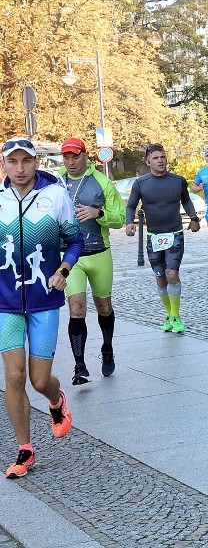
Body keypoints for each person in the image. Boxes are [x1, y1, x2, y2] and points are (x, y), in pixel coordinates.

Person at [0, 137, 83, 478]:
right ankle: (24, 449)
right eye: (12, 162)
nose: (20, 169)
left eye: (26, 162)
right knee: (14, 377)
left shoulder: (55, 196)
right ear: (4, 165)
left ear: (36, 163)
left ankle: (56, 400)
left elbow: (75, 240)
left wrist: (63, 270)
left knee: (38, 380)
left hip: (45, 300)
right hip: (5, 302)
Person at [57, 138, 126, 385]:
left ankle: (107, 348)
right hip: (69, 257)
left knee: (104, 307)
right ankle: (79, 365)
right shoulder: (56, 183)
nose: (71, 162)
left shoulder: (102, 182)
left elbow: (119, 218)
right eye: (66, 157)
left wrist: (99, 214)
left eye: (75, 156)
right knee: (76, 308)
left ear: (85, 156)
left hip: (99, 253)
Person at [126, 144, 201, 334]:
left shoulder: (178, 181)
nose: (160, 161)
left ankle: (176, 316)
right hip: (154, 236)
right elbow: (131, 206)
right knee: (160, 278)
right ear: (148, 161)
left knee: (172, 274)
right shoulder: (141, 183)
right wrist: (129, 222)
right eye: (156, 158)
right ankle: (169, 314)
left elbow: (186, 200)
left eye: (163, 157)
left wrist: (193, 219)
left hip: (175, 233)